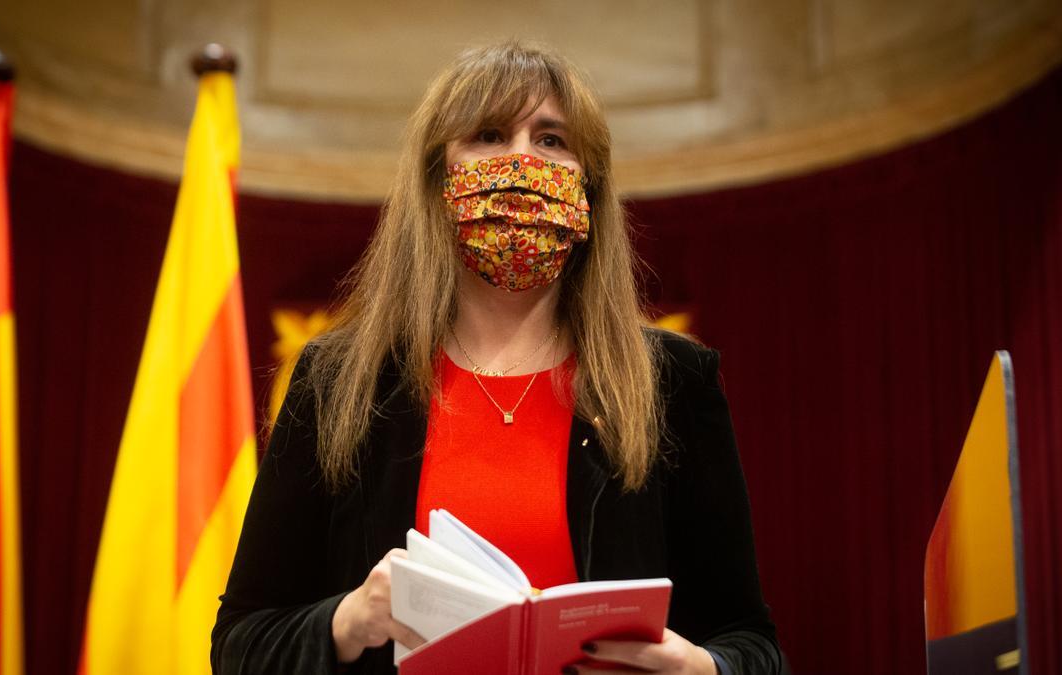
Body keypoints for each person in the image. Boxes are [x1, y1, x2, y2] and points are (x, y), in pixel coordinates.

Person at [211, 40, 783, 674]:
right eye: (488, 134)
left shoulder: (673, 382)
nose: (520, 161)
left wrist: (697, 669)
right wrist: (348, 622)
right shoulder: (341, 381)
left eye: (551, 140)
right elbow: (241, 643)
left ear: (587, 187)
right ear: (437, 179)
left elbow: (753, 646)